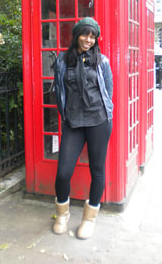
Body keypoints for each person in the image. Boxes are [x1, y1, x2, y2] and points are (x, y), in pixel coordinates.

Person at [53, 17, 113, 240]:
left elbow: (108, 91)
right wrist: (65, 114)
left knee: (97, 170)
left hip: (98, 120)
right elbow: (59, 89)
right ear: (76, 34)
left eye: (93, 36)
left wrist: (107, 114)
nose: (88, 39)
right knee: (63, 172)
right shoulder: (63, 60)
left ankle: (89, 218)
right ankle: (62, 214)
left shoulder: (102, 61)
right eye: (85, 34)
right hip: (74, 121)